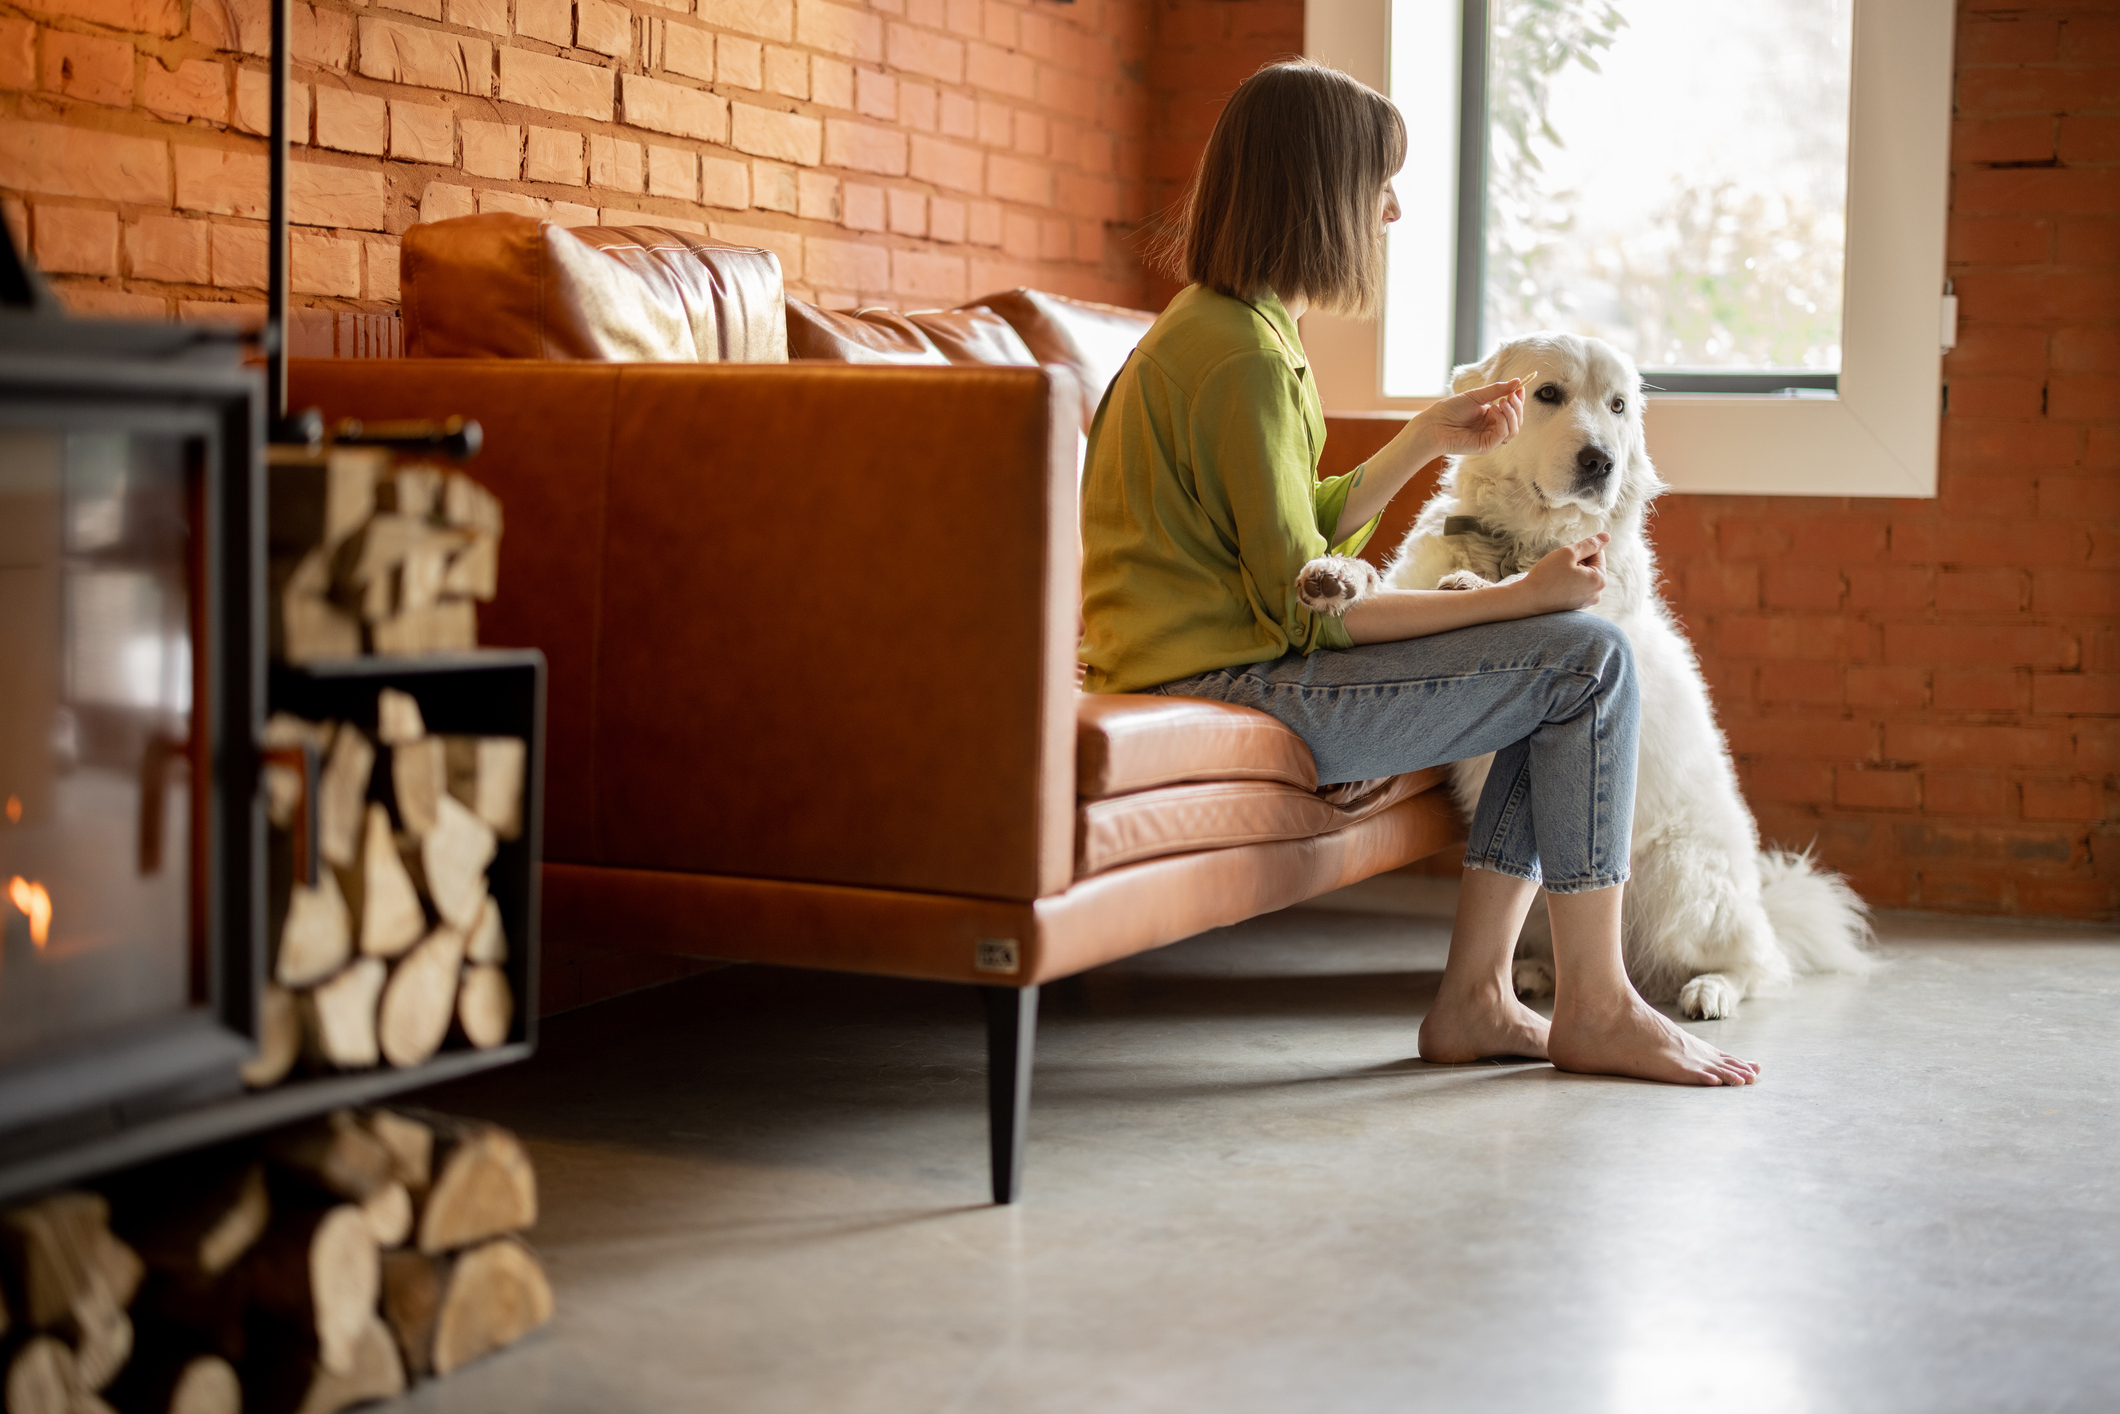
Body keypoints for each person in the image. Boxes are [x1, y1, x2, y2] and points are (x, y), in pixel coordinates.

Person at [1079, 61, 1758, 1086]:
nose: (1391, 207)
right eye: (1377, 182)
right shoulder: (1243, 358)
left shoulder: (1235, 327)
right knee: (1586, 662)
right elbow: (1301, 610)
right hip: (1226, 676)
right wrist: (1517, 599)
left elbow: (1296, 537)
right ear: (1318, 193)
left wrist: (1421, 438)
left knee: (1566, 665)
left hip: (1215, 653)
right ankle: (1591, 1004)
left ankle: (1484, 996)